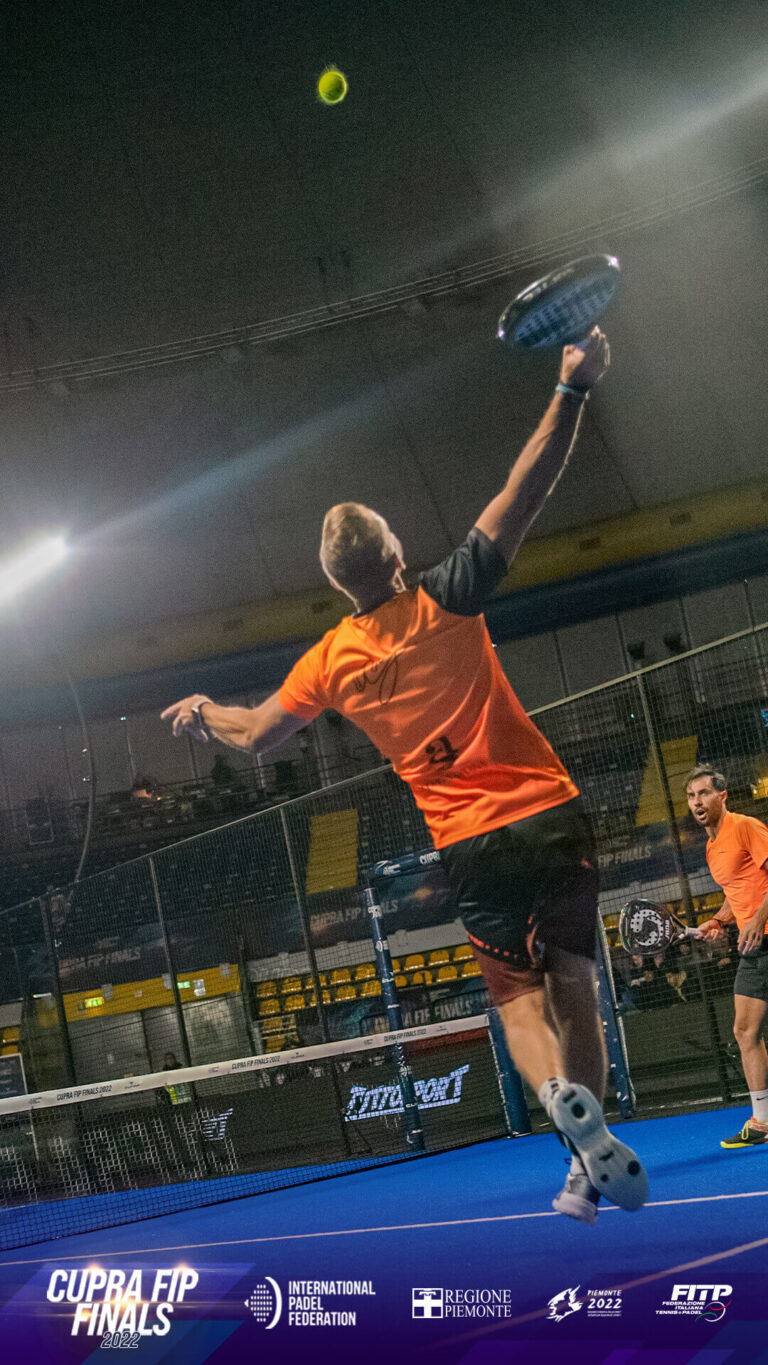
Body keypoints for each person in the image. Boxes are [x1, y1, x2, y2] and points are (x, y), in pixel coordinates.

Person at [162, 330, 647, 1225]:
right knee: (576, 981)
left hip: (469, 842)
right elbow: (525, 488)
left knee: (518, 1002)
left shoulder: (329, 661)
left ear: (334, 580)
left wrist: (202, 711)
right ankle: (590, 1151)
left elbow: (258, 734)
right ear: (394, 556)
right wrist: (572, 388)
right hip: (549, 812)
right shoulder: (446, 594)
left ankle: (560, 1109)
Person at [686, 764, 768, 1148]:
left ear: (722, 796)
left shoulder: (746, 827)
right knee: (744, 1031)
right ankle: (762, 1122)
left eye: (704, 793)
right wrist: (719, 920)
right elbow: (737, 893)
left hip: (764, 934)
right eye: (691, 796)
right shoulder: (711, 847)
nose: (697, 802)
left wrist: (758, 920)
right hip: (755, 949)